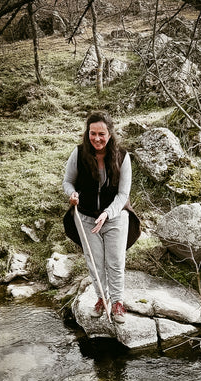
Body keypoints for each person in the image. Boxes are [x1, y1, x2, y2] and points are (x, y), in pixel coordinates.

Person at [63, 111, 140, 323]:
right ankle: (101, 299)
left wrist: (107, 213)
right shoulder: (78, 154)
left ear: (110, 133)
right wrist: (72, 194)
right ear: (88, 133)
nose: (97, 138)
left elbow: (123, 194)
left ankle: (117, 303)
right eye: (93, 133)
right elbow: (67, 181)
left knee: (115, 261)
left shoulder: (123, 157)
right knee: (95, 263)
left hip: (115, 217)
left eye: (102, 134)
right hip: (86, 218)